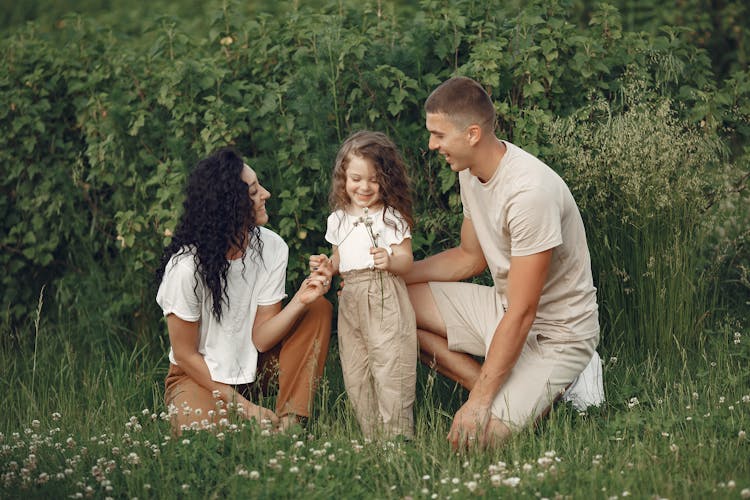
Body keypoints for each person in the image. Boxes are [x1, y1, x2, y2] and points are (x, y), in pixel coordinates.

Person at [404, 76, 602, 450]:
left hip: (556, 333)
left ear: (473, 134)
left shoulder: (529, 194)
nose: (432, 145)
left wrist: (478, 404)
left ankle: (563, 377)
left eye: (438, 135)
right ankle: (506, 387)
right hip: (504, 309)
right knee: (390, 303)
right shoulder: (468, 171)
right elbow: (469, 258)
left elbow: (525, 311)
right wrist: (395, 275)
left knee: (477, 442)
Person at [156, 147, 333, 435]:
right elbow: (185, 355)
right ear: (228, 205)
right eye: (253, 192)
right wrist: (244, 406)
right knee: (205, 439)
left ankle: (289, 425)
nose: (266, 194)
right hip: (199, 377)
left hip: (255, 367)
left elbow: (262, 339)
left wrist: (301, 300)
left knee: (317, 308)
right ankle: (237, 413)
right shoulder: (186, 268)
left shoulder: (272, 247)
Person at [309, 131, 417, 439]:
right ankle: (372, 435)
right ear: (343, 178)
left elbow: (406, 260)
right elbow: (339, 259)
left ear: (387, 180)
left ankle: (397, 435)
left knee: (390, 363)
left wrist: (390, 260)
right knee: (356, 368)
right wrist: (326, 268)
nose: (364, 187)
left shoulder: (391, 217)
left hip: (384, 292)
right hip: (351, 298)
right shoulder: (339, 218)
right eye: (356, 179)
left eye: (374, 179)